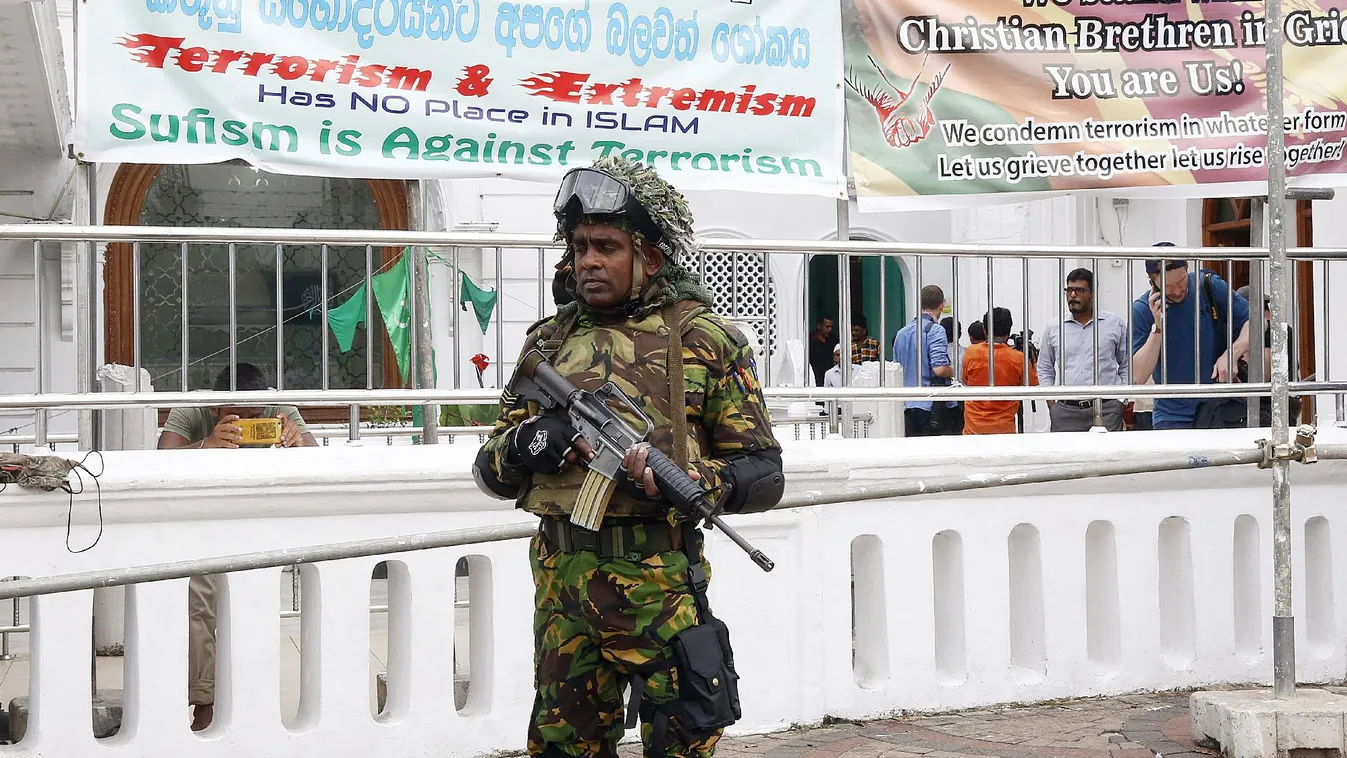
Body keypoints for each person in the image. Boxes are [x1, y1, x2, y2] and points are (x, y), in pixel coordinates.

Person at [472, 157, 785, 758]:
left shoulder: (706, 342)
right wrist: (532, 443)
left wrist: (697, 480)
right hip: (562, 589)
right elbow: (490, 471)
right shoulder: (548, 344)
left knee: (682, 742)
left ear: (652, 257)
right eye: (580, 245)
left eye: (607, 246)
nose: (588, 260)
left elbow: (765, 475)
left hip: (659, 590)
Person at [156, 362, 317, 732]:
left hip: (259, 522)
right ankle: (205, 702)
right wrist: (207, 445)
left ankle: (249, 698)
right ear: (216, 408)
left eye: (253, 417)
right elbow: (159, 460)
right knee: (201, 602)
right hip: (200, 524)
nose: (246, 423)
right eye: (236, 417)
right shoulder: (193, 409)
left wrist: (298, 443)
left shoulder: (281, 412)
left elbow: (319, 459)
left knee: (254, 607)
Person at [1131, 247, 1251, 429]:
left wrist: (1232, 353)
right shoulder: (1141, 310)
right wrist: (1157, 327)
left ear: (1187, 269)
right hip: (1172, 416)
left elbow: (1256, 320)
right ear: (1153, 283)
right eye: (1169, 287)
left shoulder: (1208, 286)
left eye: (1182, 281)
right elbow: (1139, 376)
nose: (1178, 291)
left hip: (1221, 407)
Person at [1037, 268, 1130, 432]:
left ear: (1092, 293)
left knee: (1108, 457)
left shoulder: (1114, 324)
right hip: (1066, 411)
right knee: (1067, 457)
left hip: (1106, 409)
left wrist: (1121, 400)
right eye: (1069, 290)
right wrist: (1052, 403)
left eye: (1079, 290)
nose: (1072, 295)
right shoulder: (1054, 327)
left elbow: (1127, 363)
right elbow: (1045, 366)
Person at [962, 308, 1039, 435]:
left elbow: (965, 380)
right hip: (1003, 431)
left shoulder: (971, 352)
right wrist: (1033, 361)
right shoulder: (1017, 358)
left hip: (973, 429)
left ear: (985, 330)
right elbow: (1032, 386)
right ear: (1009, 332)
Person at [893, 285, 955, 436]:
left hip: (907, 404)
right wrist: (953, 370)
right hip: (931, 406)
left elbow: (895, 369)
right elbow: (939, 369)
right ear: (941, 305)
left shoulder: (901, 333)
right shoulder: (936, 330)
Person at [1235, 285, 1301, 426]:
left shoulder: (1270, 331)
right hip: (1280, 404)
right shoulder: (1281, 331)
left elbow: (1261, 377)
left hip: (1269, 408)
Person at [808, 316, 837, 386]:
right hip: (813, 379)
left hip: (830, 378)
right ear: (819, 326)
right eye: (827, 327)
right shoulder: (809, 340)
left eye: (831, 327)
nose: (830, 329)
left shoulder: (833, 339)